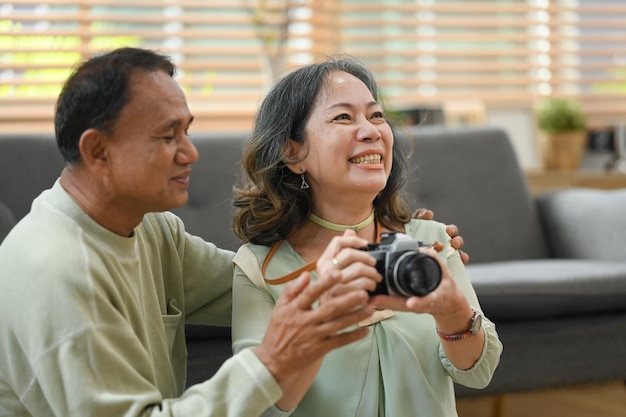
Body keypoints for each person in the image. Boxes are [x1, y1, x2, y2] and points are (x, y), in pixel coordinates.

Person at [0, 47, 381, 417]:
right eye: (169, 137)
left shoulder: (150, 226)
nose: (190, 153)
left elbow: (257, 283)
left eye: (187, 131)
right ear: (98, 151)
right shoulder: (57, 270)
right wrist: (271, 362)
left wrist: (389, 253)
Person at [231, 55, 503, 416]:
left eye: (376, 115)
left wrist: (451, 310)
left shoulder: (430, 240)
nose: (372, 130)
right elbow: (255, 405)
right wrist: (326, 316)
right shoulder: (260, 268)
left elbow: (479, 371)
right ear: (292, 151)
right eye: (343, 117)